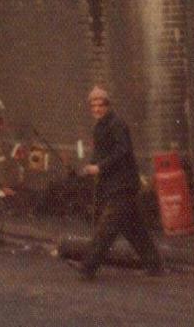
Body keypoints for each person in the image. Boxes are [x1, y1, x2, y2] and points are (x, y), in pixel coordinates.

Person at [75, 86, 164, 280]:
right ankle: (154, 264)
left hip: (122, 185)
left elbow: (123, 151)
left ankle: (87, 267)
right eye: (94, 106)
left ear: (107, 106)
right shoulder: (100, 127)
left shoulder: (117, 124)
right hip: (115, 185)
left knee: (106, 228)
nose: (97, 109)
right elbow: (100, 153)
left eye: (101, 105)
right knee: (133, 227)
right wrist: (90, 166)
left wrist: (100, 167)